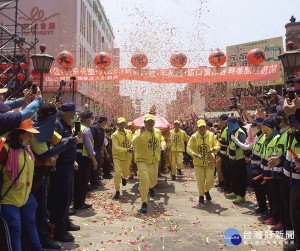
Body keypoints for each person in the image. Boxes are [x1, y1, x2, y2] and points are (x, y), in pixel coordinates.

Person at [0, 118, 42, 250]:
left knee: (31, 226)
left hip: (26, 199)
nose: (31, 136)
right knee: (15, 231)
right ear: (19, 134)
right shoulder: (4, 150)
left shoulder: (27, 149)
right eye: (29, 133)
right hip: (8, 200)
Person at [49, 103, 81, 242]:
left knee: (67, 198)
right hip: (61, 169)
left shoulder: (68, 127)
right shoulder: (58, 126)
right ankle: (59, 230)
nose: (75, 116)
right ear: (68, 114)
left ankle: (65, 222)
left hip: (68, 167)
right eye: (74, 114)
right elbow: (56, 145)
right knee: (60, 200)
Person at [132, 114, 165, 213]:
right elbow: (133, 143)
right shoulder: (139, 132)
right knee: (144, 179)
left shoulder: (158, 132)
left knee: (153, 182)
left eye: (152, 122)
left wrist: (163, 145)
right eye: (148, 122)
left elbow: (162, 140)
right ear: (144, 123)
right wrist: (140, 134)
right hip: (142, 160)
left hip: (154, 161)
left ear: (154, 123)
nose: (150, 123)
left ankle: (150, 187)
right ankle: (144, 203)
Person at [187, 119, 220, 204]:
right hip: (198, 162)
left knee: (210, 180)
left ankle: (206, 190)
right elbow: (188, 148)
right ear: (197, 128)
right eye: (200, 127)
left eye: (203, 126)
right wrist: (196, 155)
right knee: (200, 180)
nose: (202, 128)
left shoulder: (211, 135)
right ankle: (201, 195)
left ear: (205, 126)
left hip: (209, 161)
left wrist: (213, 148)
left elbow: (217, 145)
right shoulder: (193, 137)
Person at [74, 111, 97, 210]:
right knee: (83, 182)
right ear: (87, 120)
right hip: (84, 158)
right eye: (92, 118)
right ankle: (80, 203)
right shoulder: (86, 130)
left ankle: (76, 202)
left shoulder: (76, 127)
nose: (92, 120)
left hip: (75, 157)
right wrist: (94, 161)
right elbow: (89, 147)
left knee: (76, 182)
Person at [225, 116, 247, 204]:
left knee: (240, 178)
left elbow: (243, 145)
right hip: (233, 159)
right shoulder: (232, 132)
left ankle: (241, 195)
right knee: (234, 177)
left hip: (240, 159)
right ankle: (235, 192)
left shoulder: (240, 133)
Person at [111, 117, 133, 199]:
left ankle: (123, 177)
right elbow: (115, 147)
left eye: (123, 123)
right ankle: (117, 191)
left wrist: (132, 147)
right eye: (120, 124)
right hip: (117, 157)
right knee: (117, 172)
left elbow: (132, 142)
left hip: (127, 157)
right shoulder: (114, 135)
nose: (122, 125)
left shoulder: (129, 132)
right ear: (117, 125)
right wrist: (126, 149)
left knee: (125, 172)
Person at [91, 116, 107, 185]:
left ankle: (96, 180)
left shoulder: (102, 129)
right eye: (105, 122)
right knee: (94, 166)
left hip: (98, 150)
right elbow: (91, 140)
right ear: (103, 122)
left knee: (98, 165)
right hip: (94, 149)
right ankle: (93, 182)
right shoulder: (95, 128)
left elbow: (102, 141)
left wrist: (102, 151)